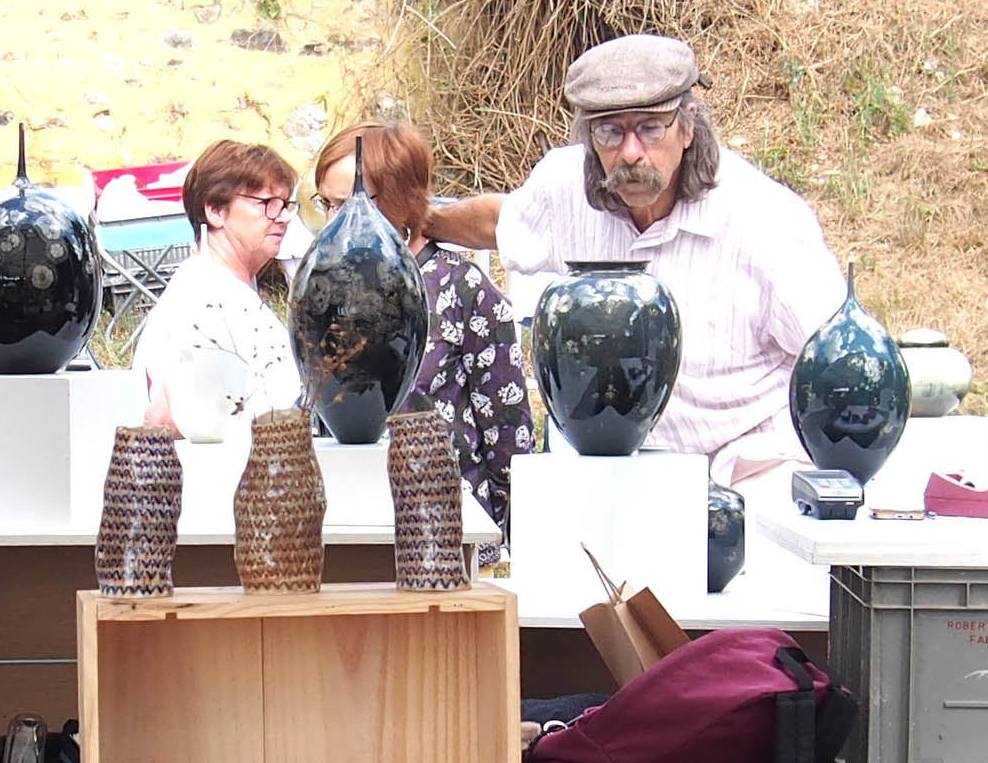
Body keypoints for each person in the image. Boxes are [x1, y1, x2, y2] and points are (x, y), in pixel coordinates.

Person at [428, 33, 839, 480]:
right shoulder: (564, 187)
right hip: (619, 468)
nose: (629, 152)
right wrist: (421, 221)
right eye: (609, 131)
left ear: (688, 126)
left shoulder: (766, 219)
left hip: (750, 461)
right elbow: (498, 222)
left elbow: (840, 356)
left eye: (650, 128)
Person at [314, 121, 534, 532]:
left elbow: (508, 434)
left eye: (347, 204)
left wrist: (504, 538)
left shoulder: (461, 288)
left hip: (447, 531)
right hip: (349, 523)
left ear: (400, 199)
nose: (333, 221)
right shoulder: (324, 292)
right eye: (326, 204)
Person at [137, 138, 302, 432]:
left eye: (286, 204)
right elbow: (165, 418)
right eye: (266, 204)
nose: (284, 217)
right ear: (214, 210)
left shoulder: (223, 289)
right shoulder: (207, 299)